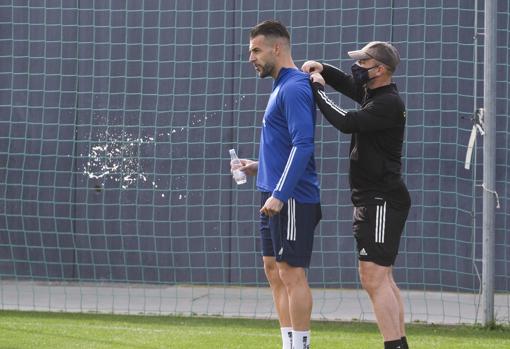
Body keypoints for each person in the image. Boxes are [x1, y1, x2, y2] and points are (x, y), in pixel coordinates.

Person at [301, 42, 411, 349]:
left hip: (381, 199)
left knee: (374, 278)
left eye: (364, 63)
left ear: (381, 70)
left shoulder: (387, 102)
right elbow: (347, 83)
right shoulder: (374, 94)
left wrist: (317, 90)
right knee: (381, 278)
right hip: (374, 198)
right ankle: (399, 344)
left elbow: (347, 122)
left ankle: (394, 345)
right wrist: (322, 68)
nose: (358, 67)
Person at [231, 20, 321, 349]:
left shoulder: (295, 86)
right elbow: (283, 146)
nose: (251, 57)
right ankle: (288, 343)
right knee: (273, 269)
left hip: (293, 196)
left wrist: (281, 194)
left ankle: (301, 345)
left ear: (277, 48)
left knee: (291, 273)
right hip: (271, 191)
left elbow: (303, 145)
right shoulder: (279, 86)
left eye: (256, 50)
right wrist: (256, 167)